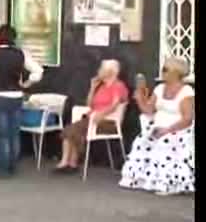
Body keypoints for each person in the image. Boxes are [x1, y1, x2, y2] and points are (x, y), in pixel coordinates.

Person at [120, 57, 194, 195]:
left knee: (164, 142)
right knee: (141, 140)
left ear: (176, 72)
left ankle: (167, 184)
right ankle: (142, 180)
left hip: (177, 129)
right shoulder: (159, 89)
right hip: (157, 127)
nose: (162, 72)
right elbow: (149, 110)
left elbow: (188, 118)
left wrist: (167, 130)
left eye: (165, 69)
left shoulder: (186, 91)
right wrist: (140, 99)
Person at [0, 24, 43, 177]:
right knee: (14, 133)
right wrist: (26, 84)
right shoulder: (21, 54)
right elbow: (38, 71)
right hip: (16, 97)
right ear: (14, 38)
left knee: (2, 135)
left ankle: (2, 169)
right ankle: (12, 165)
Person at [54, 60, 128, 173]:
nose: (98, 71)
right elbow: (89, 104)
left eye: (101, 69)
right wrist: (93, 87)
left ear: (110, 72)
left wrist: (101, 114)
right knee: (72, 129)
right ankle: (69, 162)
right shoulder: (101, 87)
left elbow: (114, 105)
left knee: (74, 129)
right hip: (92, 118)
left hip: (107, 122)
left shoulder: (118, 86)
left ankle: (68, 162)